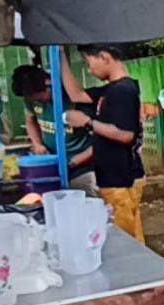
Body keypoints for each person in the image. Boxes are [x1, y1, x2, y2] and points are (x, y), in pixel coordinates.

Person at [61, 44, 146, 243]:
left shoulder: (123, 90)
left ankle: (133, 262)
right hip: (113, 176)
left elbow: (126, 135)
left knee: (125, 239)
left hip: (122, 177)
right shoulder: (110, 89)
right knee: (131, 233)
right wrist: (60, 56)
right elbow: (76, 95)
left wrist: (87, 122)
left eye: (89, 63)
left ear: (104, 57)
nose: (89, 70)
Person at [11, 53, 99, 197]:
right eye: (31, 99)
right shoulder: (32, 100)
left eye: (40, 97)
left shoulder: (76, 102)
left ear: (49, 83)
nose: (37, 101)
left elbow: (101, 142)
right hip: (52, 163)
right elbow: (30, 121)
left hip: (83, 166)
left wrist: (73, 162)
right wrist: (38, 144)